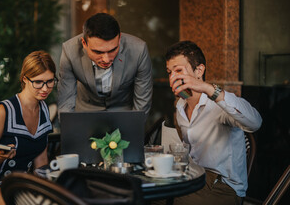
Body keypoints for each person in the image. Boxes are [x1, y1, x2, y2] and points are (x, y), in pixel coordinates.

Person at [164, 41, 262, 205]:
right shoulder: (180, 106)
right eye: (169, 72)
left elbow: (255, 122)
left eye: (179, 70)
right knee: (146, 197)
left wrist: (209, 89)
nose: (172, 77)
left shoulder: (219, 104)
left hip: (223, 186)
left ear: (199, 70)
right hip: (194, 178)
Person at [0, 51, 57, 205]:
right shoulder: (4, 111)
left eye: (50, 81)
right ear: (25, 79)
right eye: (38, 82)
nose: (45, 88)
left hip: (16, 187)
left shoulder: (44, 109)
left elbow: (41, 163)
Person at [57, 13, 153, 115]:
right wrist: (70, 129)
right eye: (98, 52)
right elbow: (66, 101)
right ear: (84, 43)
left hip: (124, 113)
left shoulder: (139, 50)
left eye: (112, 50)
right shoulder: (70, 51)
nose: (106, 60)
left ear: (119, 39)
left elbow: (142, 101)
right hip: (86, 112)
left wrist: (134, 127)